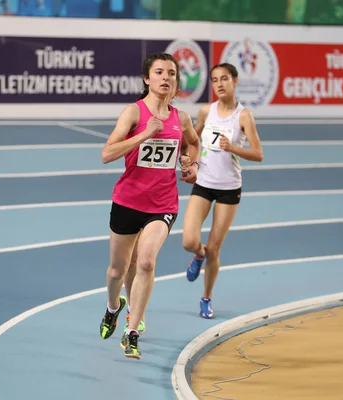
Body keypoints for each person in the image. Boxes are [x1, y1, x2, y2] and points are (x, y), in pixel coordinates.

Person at [98, 52, 200, 360]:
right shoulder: (133, 113)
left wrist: (192, 164)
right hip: (128, 201)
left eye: (171, 73)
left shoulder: (181, 118)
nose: (166, 78)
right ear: (147, 79)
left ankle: (131, 333)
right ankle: (113, 307)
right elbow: (106, 154)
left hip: (163, 203)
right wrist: (145, 134)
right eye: (159, 72)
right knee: (118, 270)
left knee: (145, 262)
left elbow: (193, 142)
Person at [182, 62, 263, 319]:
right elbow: (193, 141)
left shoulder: (243, 116)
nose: (219, 84)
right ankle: (198, 254)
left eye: (224, 79)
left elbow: (258, 153)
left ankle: (206, 298)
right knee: (188, 241)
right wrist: (188, 159)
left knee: (216, 249)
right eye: (215, 79)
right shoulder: (206, 111)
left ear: (235, 82)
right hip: (204, 183)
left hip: (229, 188)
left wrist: (233, 148)